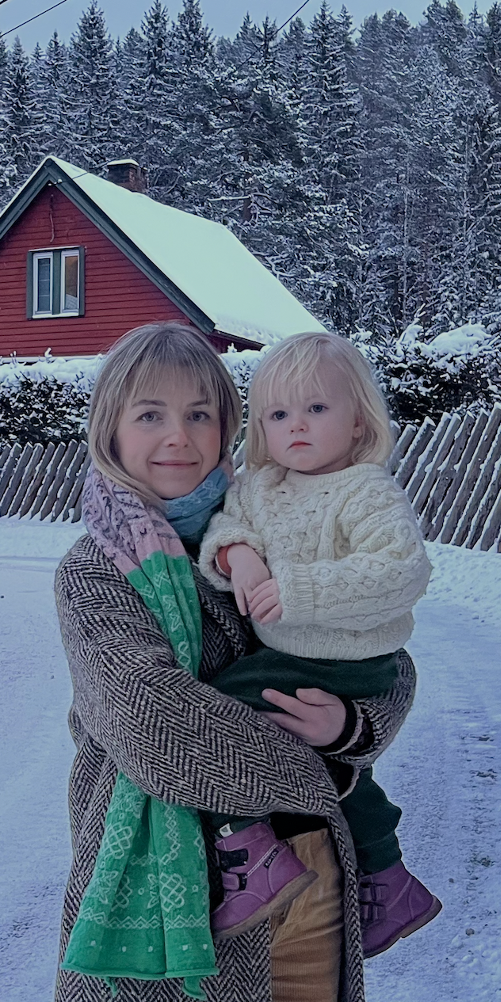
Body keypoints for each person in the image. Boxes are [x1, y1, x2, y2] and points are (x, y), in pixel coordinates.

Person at [34, 321, 417, 1002]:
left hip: (303, 903)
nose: (176, 436)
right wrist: (327, 772)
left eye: (199, 412)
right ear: (108, 425)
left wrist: (353, 725)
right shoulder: (97, 574)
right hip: (166, 916)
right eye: (149, 412)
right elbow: (159, 731)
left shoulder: (273, 523)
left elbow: (377, 652)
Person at [197, 331, 443, 956]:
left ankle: (249, 845)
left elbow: (402, 569)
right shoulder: (261, 485)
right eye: (279, 414)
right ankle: (388, 875)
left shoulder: (365, 488)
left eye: (316, 409)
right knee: (326, 768)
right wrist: (239, 556)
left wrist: (298, 590)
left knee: (216, 718)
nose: (296, 426)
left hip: (351, 659)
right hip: (290, 653)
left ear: (358, 419)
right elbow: (228, 523)